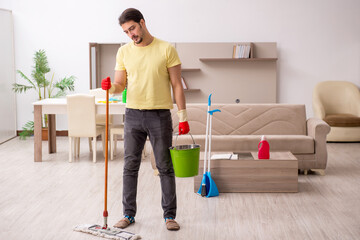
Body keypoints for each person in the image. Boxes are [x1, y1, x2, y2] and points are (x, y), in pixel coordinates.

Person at [101, 8, 189, 231]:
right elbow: (121, 84)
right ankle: (128, 214)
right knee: (130, 166)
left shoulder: (166, 49)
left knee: (165, 166)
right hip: (132, 115)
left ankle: (169, 216)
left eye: (132, 28)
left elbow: (177, 85)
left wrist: (183, 116)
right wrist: (111, 87)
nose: (130, 34)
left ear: (142, 22)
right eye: (126, 31)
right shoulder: (124, 52)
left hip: (159, 115)